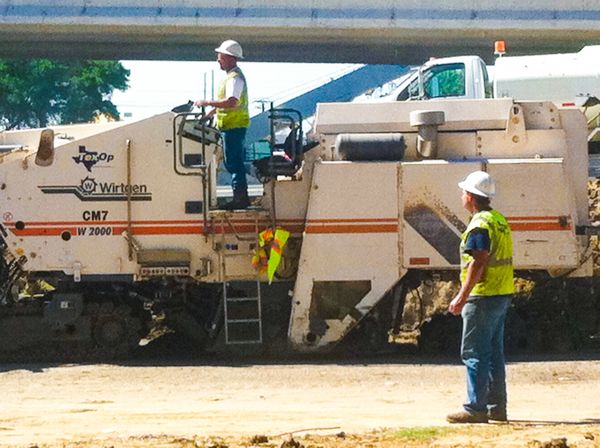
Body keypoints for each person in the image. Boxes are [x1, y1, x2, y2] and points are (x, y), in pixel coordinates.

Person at [446, 170, 514, 424]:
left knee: (474, 352)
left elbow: (479, 261)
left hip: (482, 295)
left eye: (464, 192)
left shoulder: (480, 224)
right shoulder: (499, 220)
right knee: (494, 354)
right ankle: (497, 408)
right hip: (501, 293)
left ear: (472, 197)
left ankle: (475, 408)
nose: (462, 196)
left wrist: (461, 296)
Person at [195, 39, 250, 210]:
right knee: (232, 161)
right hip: (230, 126)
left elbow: (231, 102)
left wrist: (207, 103)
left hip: (234, 126)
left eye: (221, 56)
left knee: (234, 162)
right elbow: (227, 103)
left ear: (230, 58)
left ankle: (241, 198)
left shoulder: (235, 79)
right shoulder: (231, 78)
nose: (218, 59)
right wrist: (211, 113)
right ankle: (241, 197)